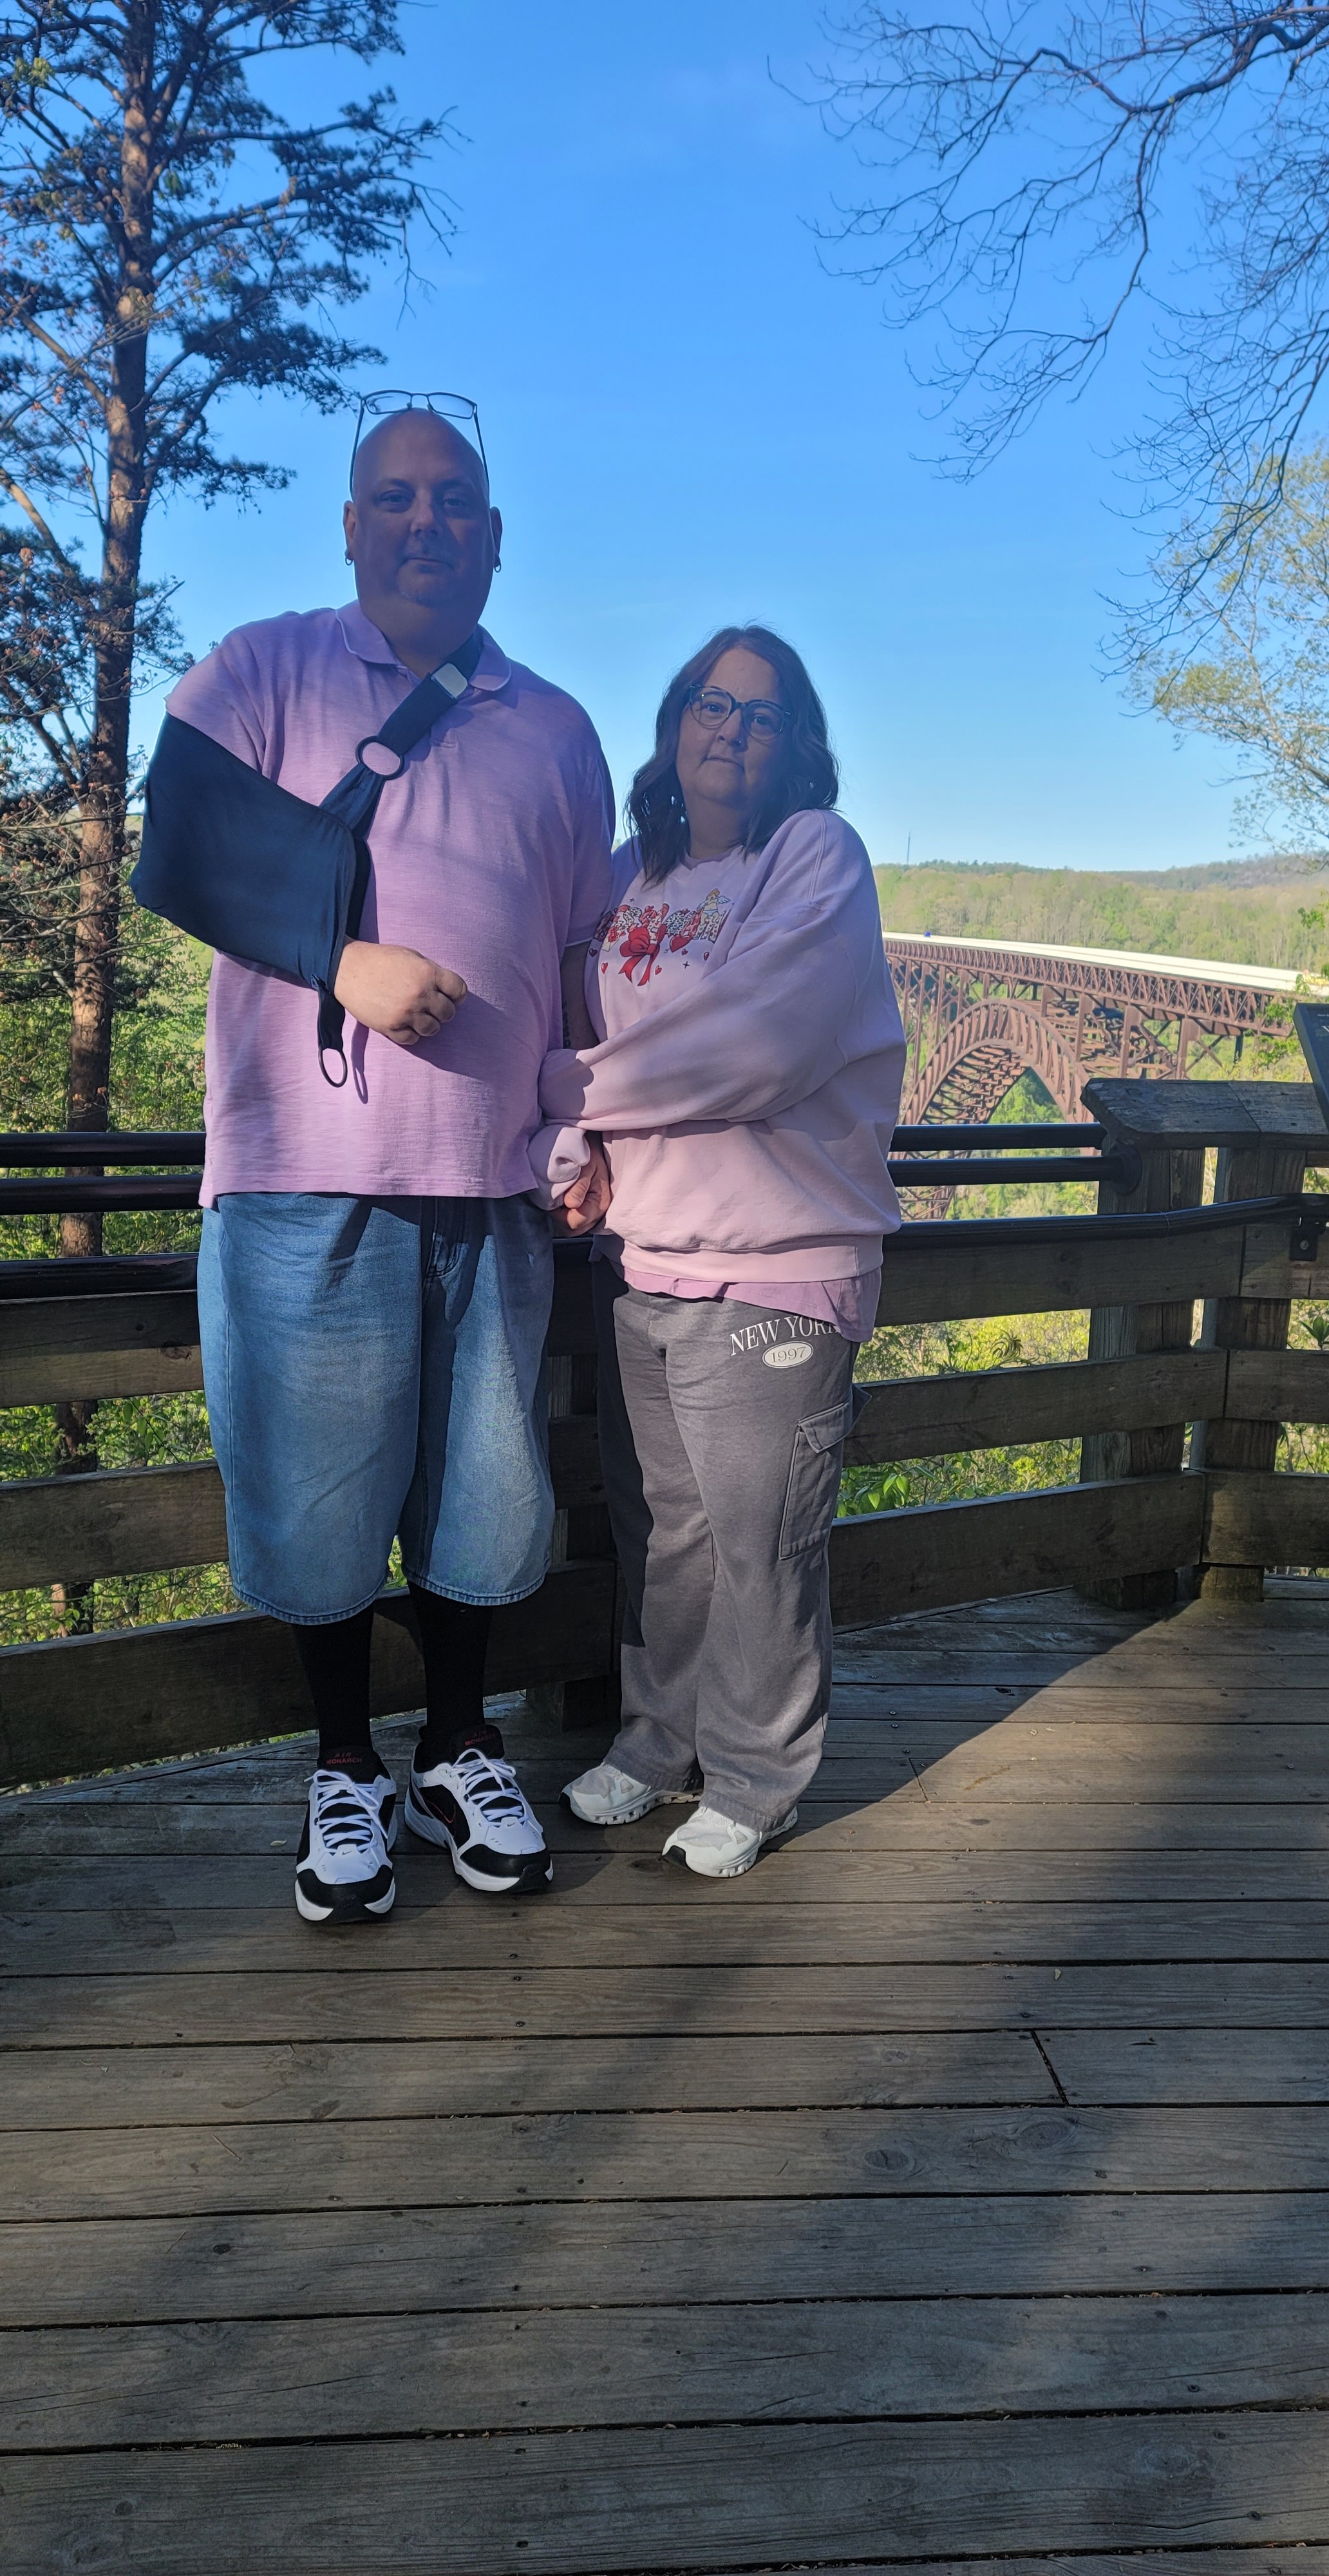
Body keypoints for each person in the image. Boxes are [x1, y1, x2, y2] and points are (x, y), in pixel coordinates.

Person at [153, 395, 612, 1925]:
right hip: (302, 1177)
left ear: (495, 534)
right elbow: (178, 842)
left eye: (455, 498)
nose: (428, 520)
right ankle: (344, 1764)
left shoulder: (557, 729)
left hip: (493, 1181)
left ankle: (457, 1747)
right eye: (397, 497)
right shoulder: (261, 670)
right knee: (319, 1495)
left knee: (486, 1498)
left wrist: (585, 1121)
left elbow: (580, 956)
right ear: (351, 526)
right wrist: (339, 958)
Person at [534, 625, 906, 1876]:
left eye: (760, 712)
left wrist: (564, 1089)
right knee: (667, 1536)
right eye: (710, 701)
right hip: (643, 1260)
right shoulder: (634, 875)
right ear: (674, 719)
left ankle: (756, 1777)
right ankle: (658, 1745)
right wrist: (578, 1145)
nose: (731, 728)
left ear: (794, 743)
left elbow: (758, 1048)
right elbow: (586, 1031)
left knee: (762, 1543)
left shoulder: (814, 855)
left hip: (778, 1266)